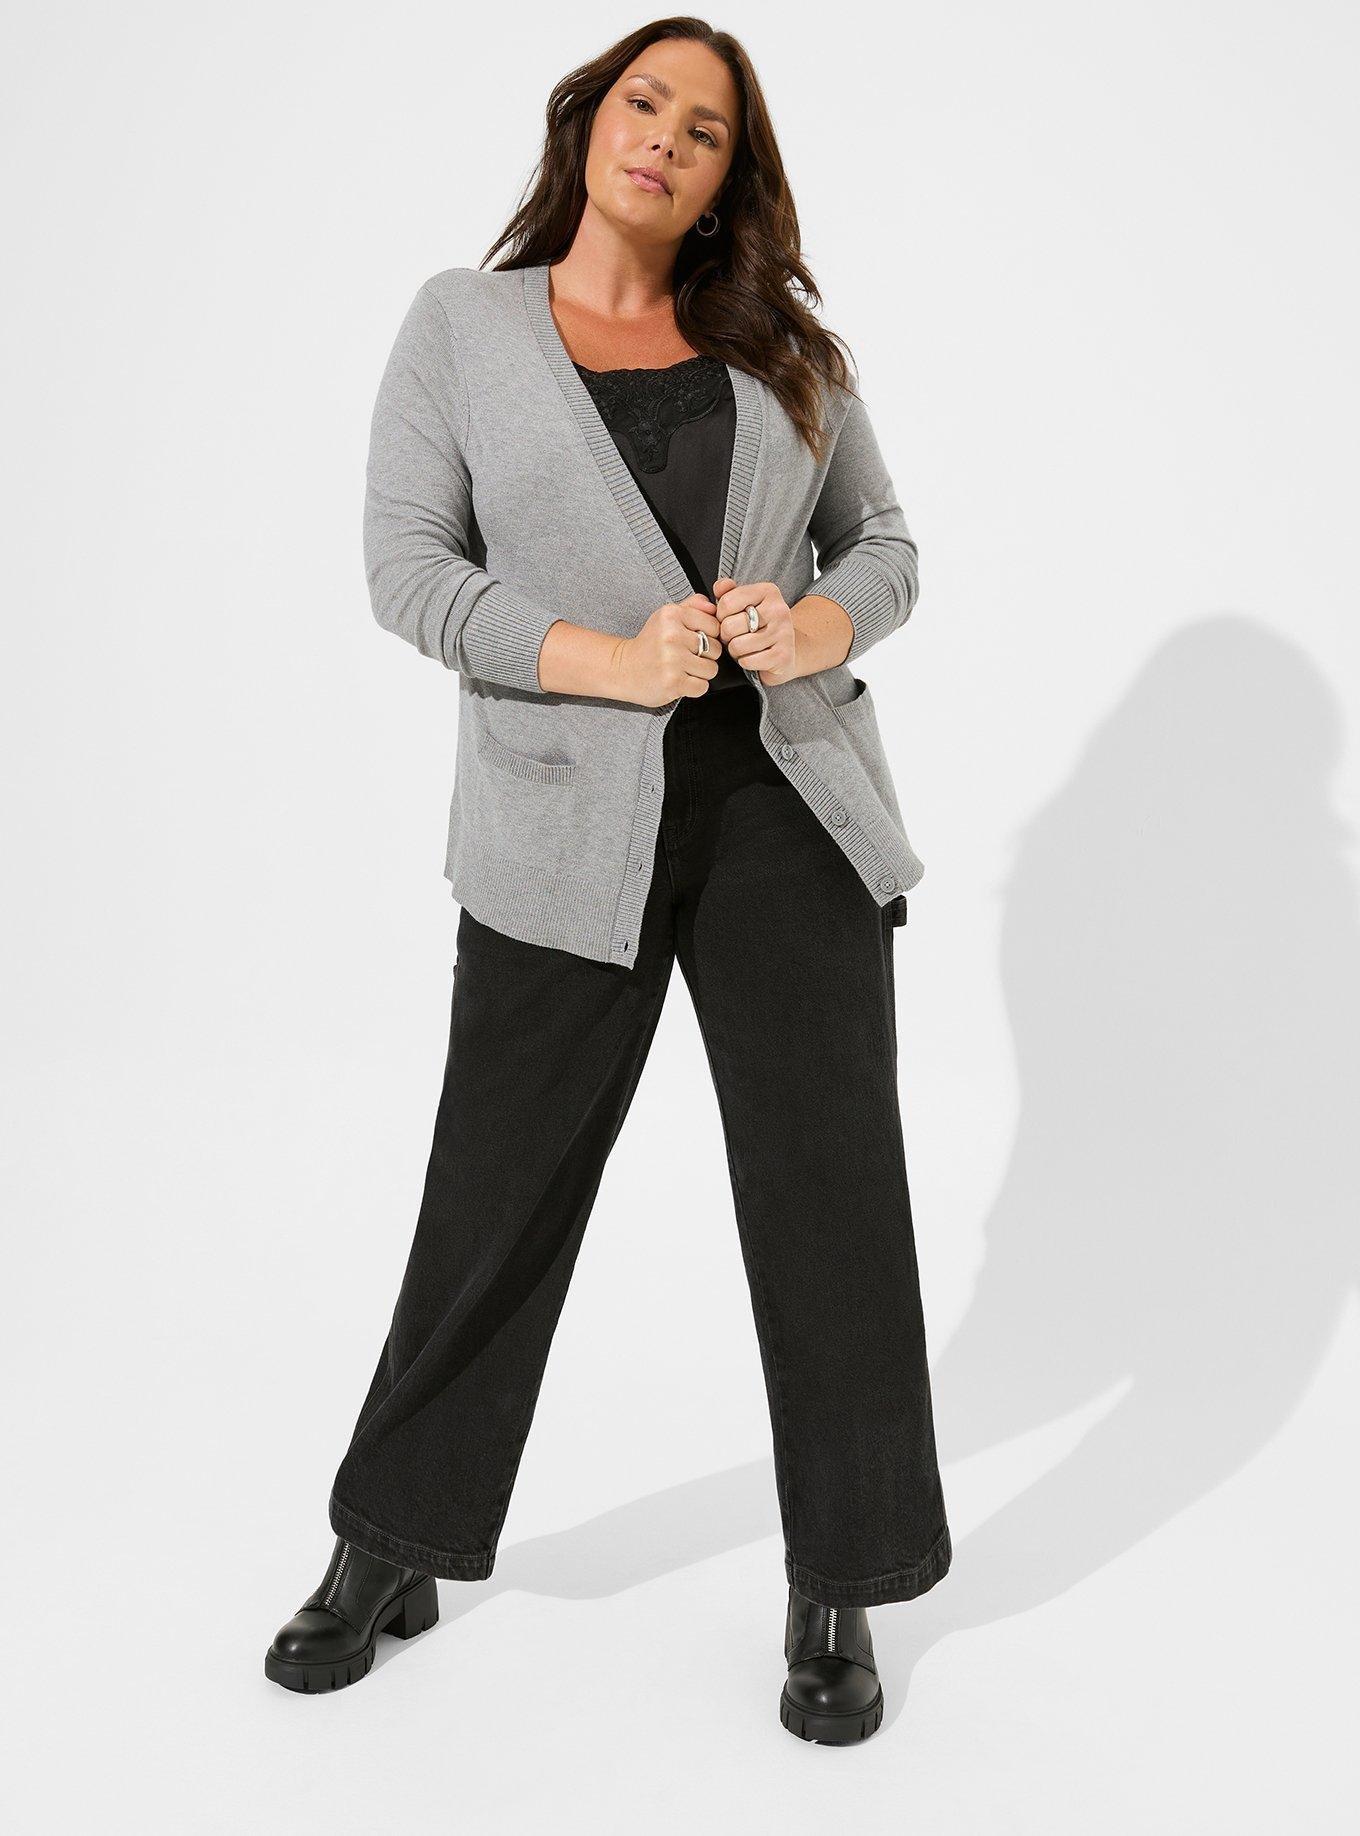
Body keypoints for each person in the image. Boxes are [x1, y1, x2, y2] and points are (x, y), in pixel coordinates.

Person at [265, 17, 951, 1744]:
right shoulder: (463, 326)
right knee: (493, 1190)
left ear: (728, 181)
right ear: (588, 122)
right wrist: (606, 661)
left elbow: (885, 546)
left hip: (788, 812)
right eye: (644, 102)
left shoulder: (786, 347)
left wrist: (812, 624)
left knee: (832, 1200)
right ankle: (389, 1544)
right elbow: (406, 571)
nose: (665, 138)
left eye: (705, 130)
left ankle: (841, 1581)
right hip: (562, 825)